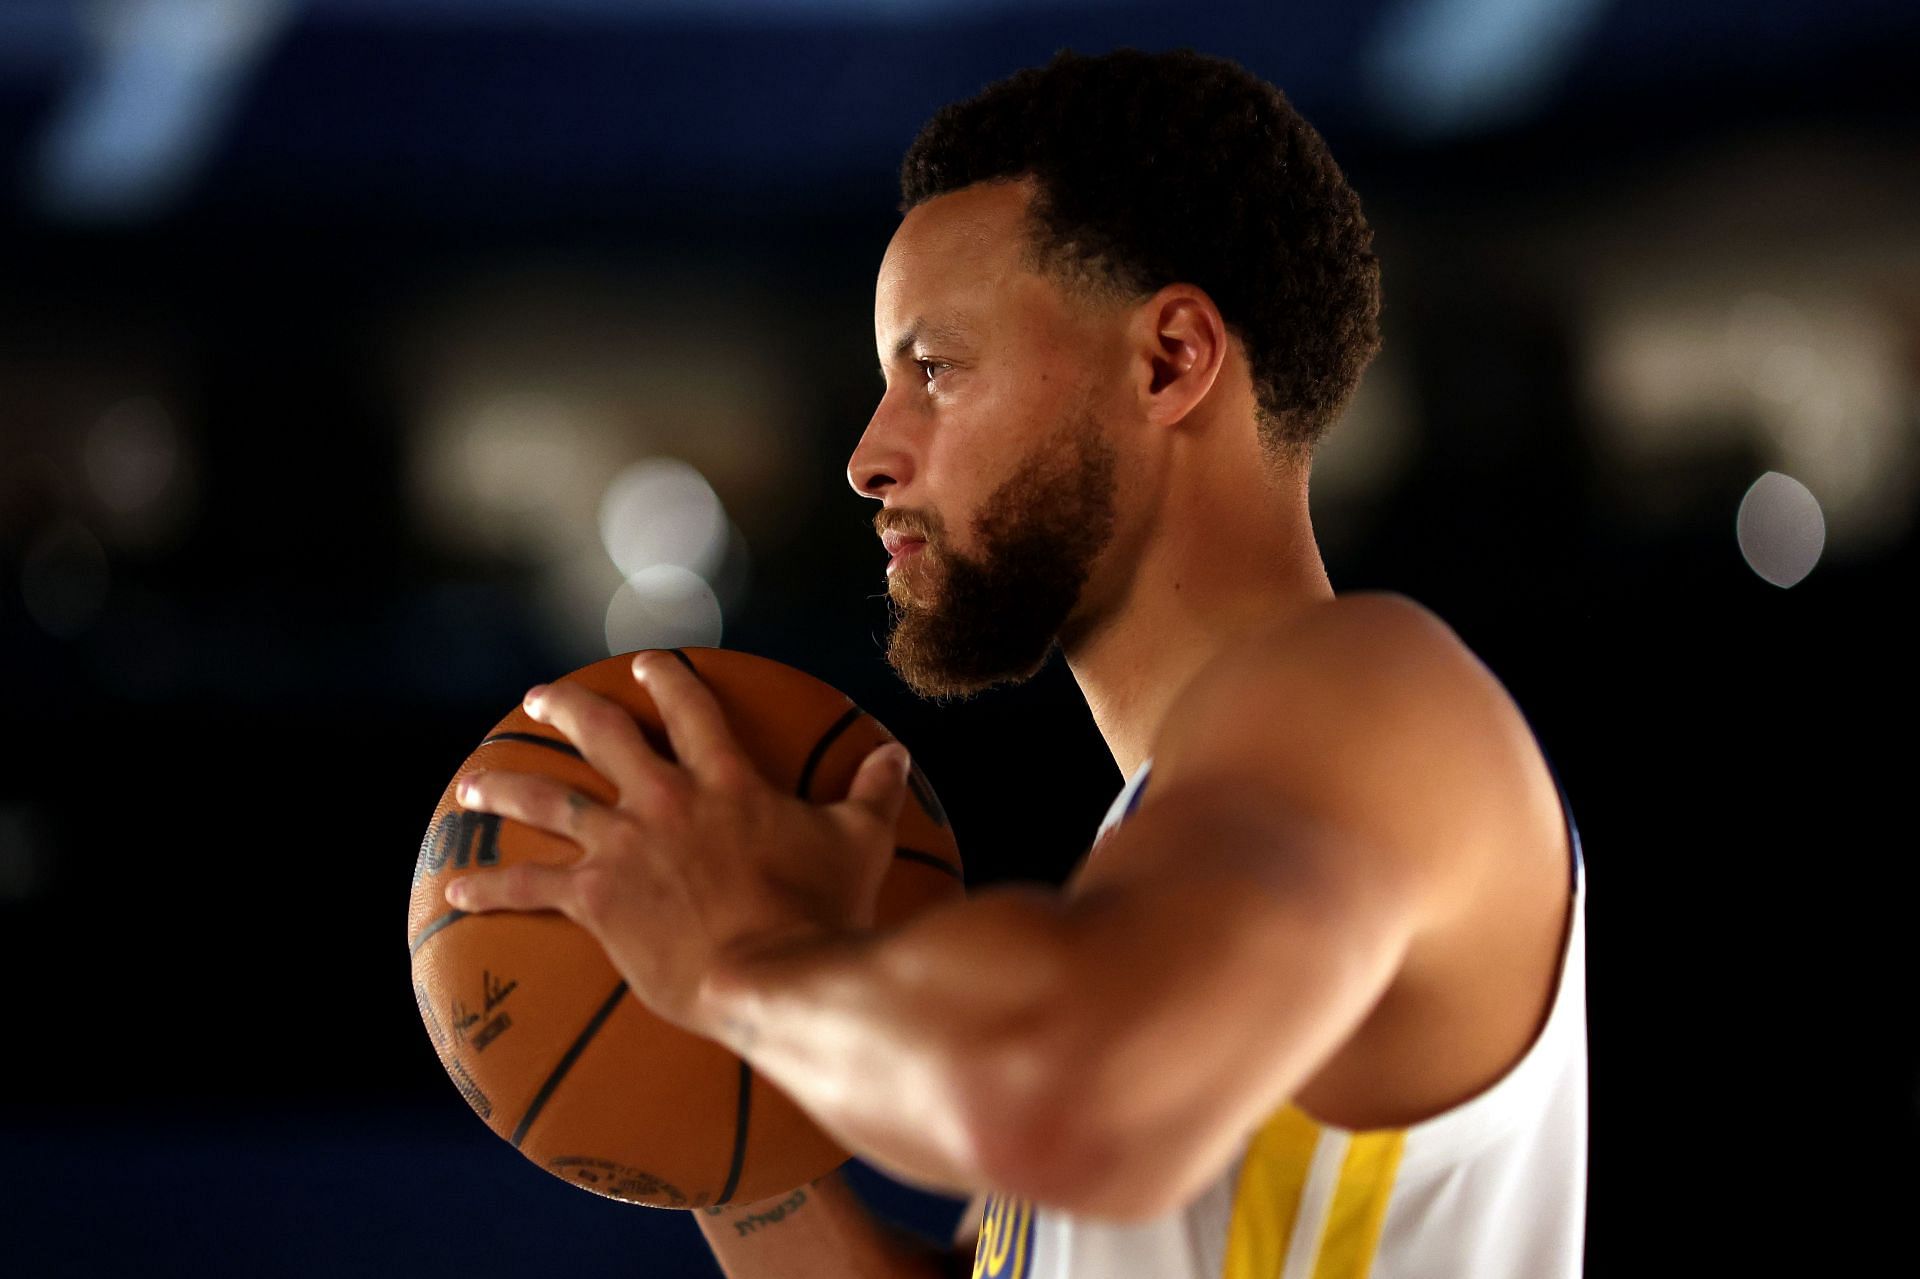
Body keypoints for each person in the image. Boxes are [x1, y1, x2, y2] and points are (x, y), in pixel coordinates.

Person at [446, 46, 1587, 1279]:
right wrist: (725, 1091)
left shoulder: (1380, 699)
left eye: (932, 369)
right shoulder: (1151, 882)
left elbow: (1061, 1104)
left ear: (1170, 360)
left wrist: (738, 965)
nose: (869, 456)